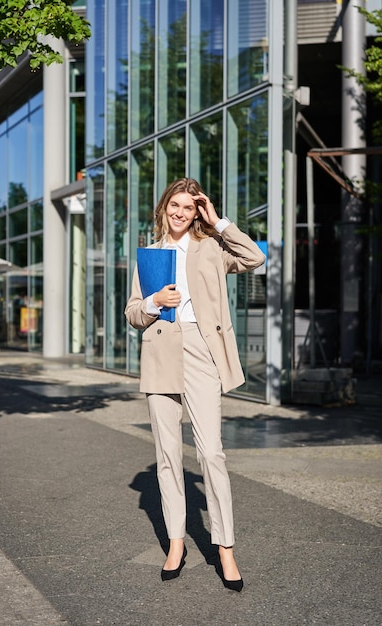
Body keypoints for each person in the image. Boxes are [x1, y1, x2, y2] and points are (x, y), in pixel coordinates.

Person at [125, 178, 265, 592]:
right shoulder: (150, 254)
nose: (180, 212)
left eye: (189, 206)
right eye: (175, 204)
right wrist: (153, 303)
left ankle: (225, 548)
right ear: (164, 206)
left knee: (211, 454)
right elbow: (133, 313)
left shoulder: (212, 248)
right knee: (167, 455)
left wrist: (218, 222)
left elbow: (254, 256)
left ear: (197, 210)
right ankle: (175, 543)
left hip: (202, 353)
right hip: (160, 352)